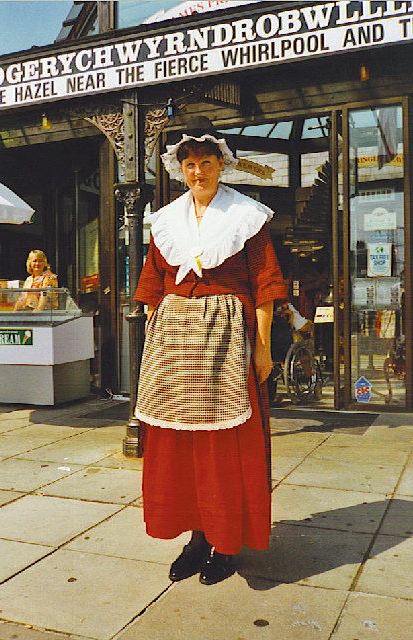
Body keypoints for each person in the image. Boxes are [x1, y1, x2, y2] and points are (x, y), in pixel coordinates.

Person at [134, 118, 287, 586]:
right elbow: (152, 287)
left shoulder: (246, 217)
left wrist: (261, 348)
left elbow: (265, 288)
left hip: (226, 346)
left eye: (207, 163)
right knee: (182, 446)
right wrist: (157, 341)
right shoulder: (167, 221)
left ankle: (226, 541)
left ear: (222, 166)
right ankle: (198, 538)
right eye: (190, 165)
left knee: (223, 447)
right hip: (176, 351)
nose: (198, 172)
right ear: (182, 171)